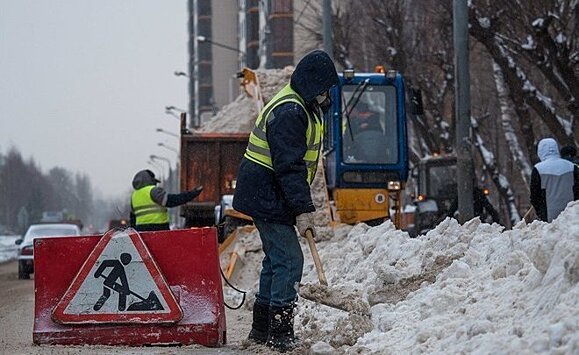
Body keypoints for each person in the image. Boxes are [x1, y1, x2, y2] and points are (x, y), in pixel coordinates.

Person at [232, 49, 338, 352]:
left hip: (267, 192)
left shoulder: (301, 105)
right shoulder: (291, 111)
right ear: (312, 85)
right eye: (324, 88)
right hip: (267, 193)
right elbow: (289, 168)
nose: (326, 94)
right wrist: (303, 210)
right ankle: (280, 334)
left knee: (276, 261)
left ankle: (260, 330)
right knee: (290, 260)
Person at [129, 169, 203, 231]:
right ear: (149, 180)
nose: (155, 184)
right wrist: (192, 194)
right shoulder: (153, 191)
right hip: (158, 229)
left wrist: (134, 231)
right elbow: (171, 201)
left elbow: (132, 217)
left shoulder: (134, 195)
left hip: (141, 230)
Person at [530, 138, 579, 222]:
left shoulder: (538, 169)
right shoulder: (571, 166)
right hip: (572, 214)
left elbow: (535, 196)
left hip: (548, 216)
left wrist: (540, 214)